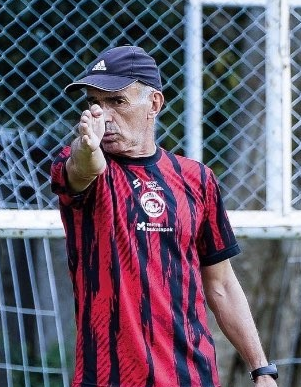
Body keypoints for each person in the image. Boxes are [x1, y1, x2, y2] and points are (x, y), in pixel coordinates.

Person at [51, 45, 279, 387]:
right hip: (107, 378)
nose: (103, 115)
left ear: (154, 104)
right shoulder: (82, 163)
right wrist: (86, 148)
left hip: (191, 376)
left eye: (117, 101)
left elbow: (221, 285)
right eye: (94, 103)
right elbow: (84, 169)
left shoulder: (197, 179)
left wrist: (261, 369)